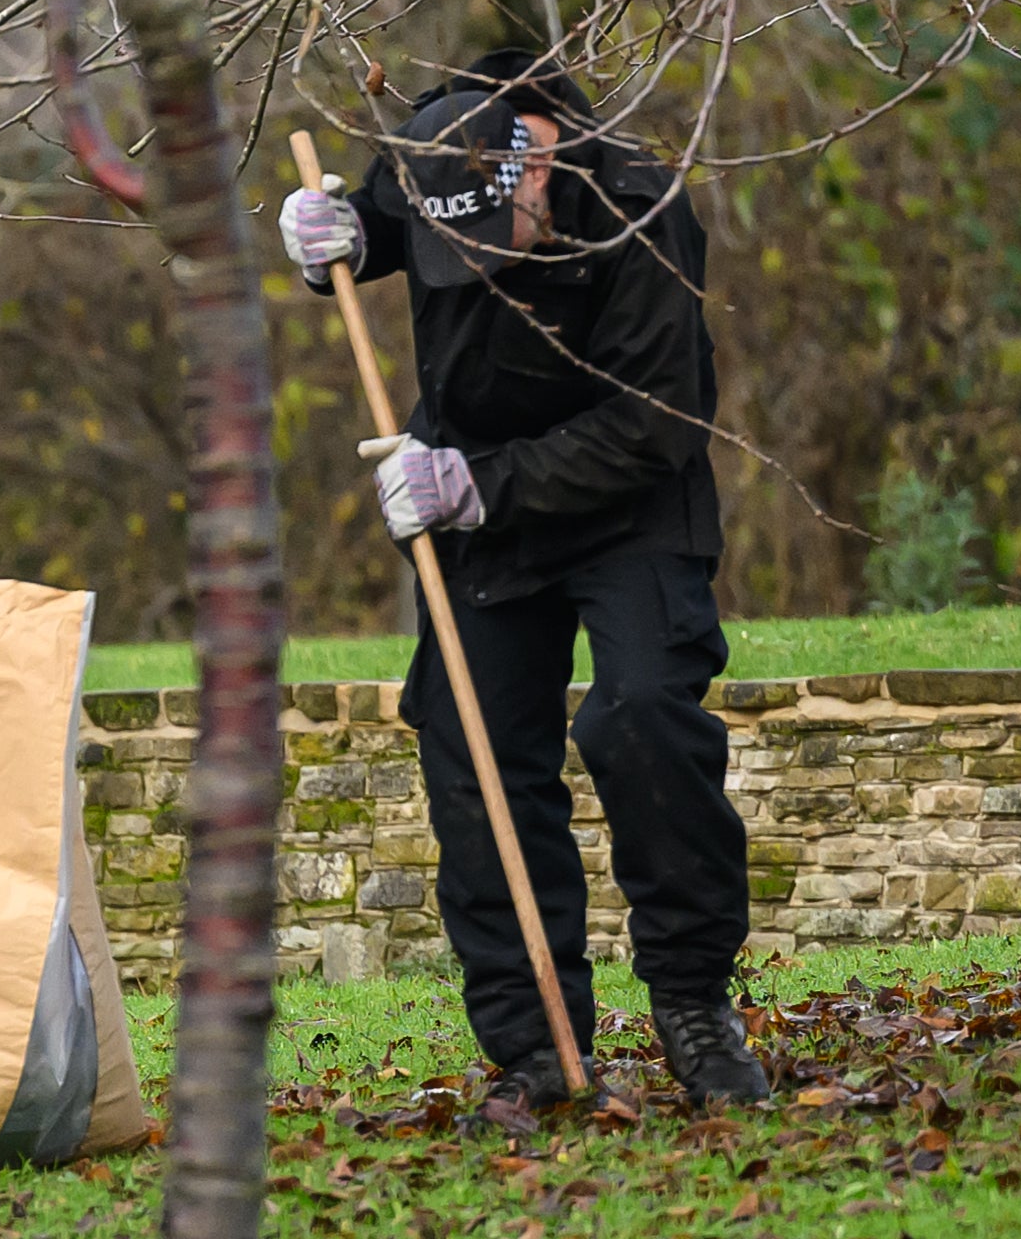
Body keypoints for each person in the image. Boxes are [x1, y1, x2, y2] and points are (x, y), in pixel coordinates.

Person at [282, 69, 773, 1135]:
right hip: (475, 505)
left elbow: (658, 424)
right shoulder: (440, 148)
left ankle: (692, 1005)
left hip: (627, 499)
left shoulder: (641, 206)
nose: (484, 271)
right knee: (474, 753)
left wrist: (475, 486)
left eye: (504, 237)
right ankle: (537, 1047)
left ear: (540, 159)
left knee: (640, 714)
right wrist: (342, 243)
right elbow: (373, 225)